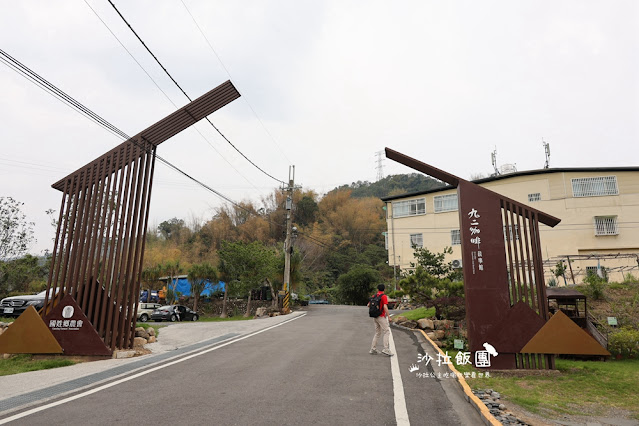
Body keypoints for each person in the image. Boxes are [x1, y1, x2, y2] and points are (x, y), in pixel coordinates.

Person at [369, 284, 393, 356]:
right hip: (381, 316)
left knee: (377, 333)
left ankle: (373, 349)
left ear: (377, 289)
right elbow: (385, 306)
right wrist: (388, 316)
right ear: (384, 289)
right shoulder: (383, 296)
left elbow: (368, 305)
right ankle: (386, 349)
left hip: (375, 316)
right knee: (386, 331)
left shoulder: (374, 296)